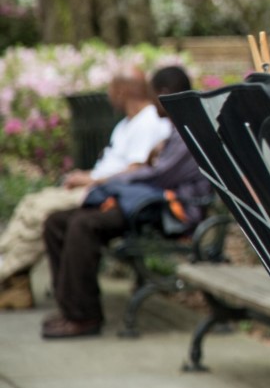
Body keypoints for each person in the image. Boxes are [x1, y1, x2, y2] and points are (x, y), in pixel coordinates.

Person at [41, 65, 211, 339]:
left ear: (165, 94)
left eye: (153, 95)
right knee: (57, 222)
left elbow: (159, 175)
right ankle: (71, 307)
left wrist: (108, 181)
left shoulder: (189, 130)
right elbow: (157, 170)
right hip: (147, 202)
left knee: (83, 225)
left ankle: (84, 317)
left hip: (169, 211)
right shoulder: (177, 128)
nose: (150, 102)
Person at [0, 68, 171, 309]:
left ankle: (8, 271)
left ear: (122, 91)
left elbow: (135, 172)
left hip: (109, 193)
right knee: (32, 204)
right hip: (98, 186)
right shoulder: (127, 123)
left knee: (43, 213)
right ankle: (9, 267)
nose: (109, 95)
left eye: (111, 89)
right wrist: (86, 175)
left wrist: (91, 181)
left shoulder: (148, 122)